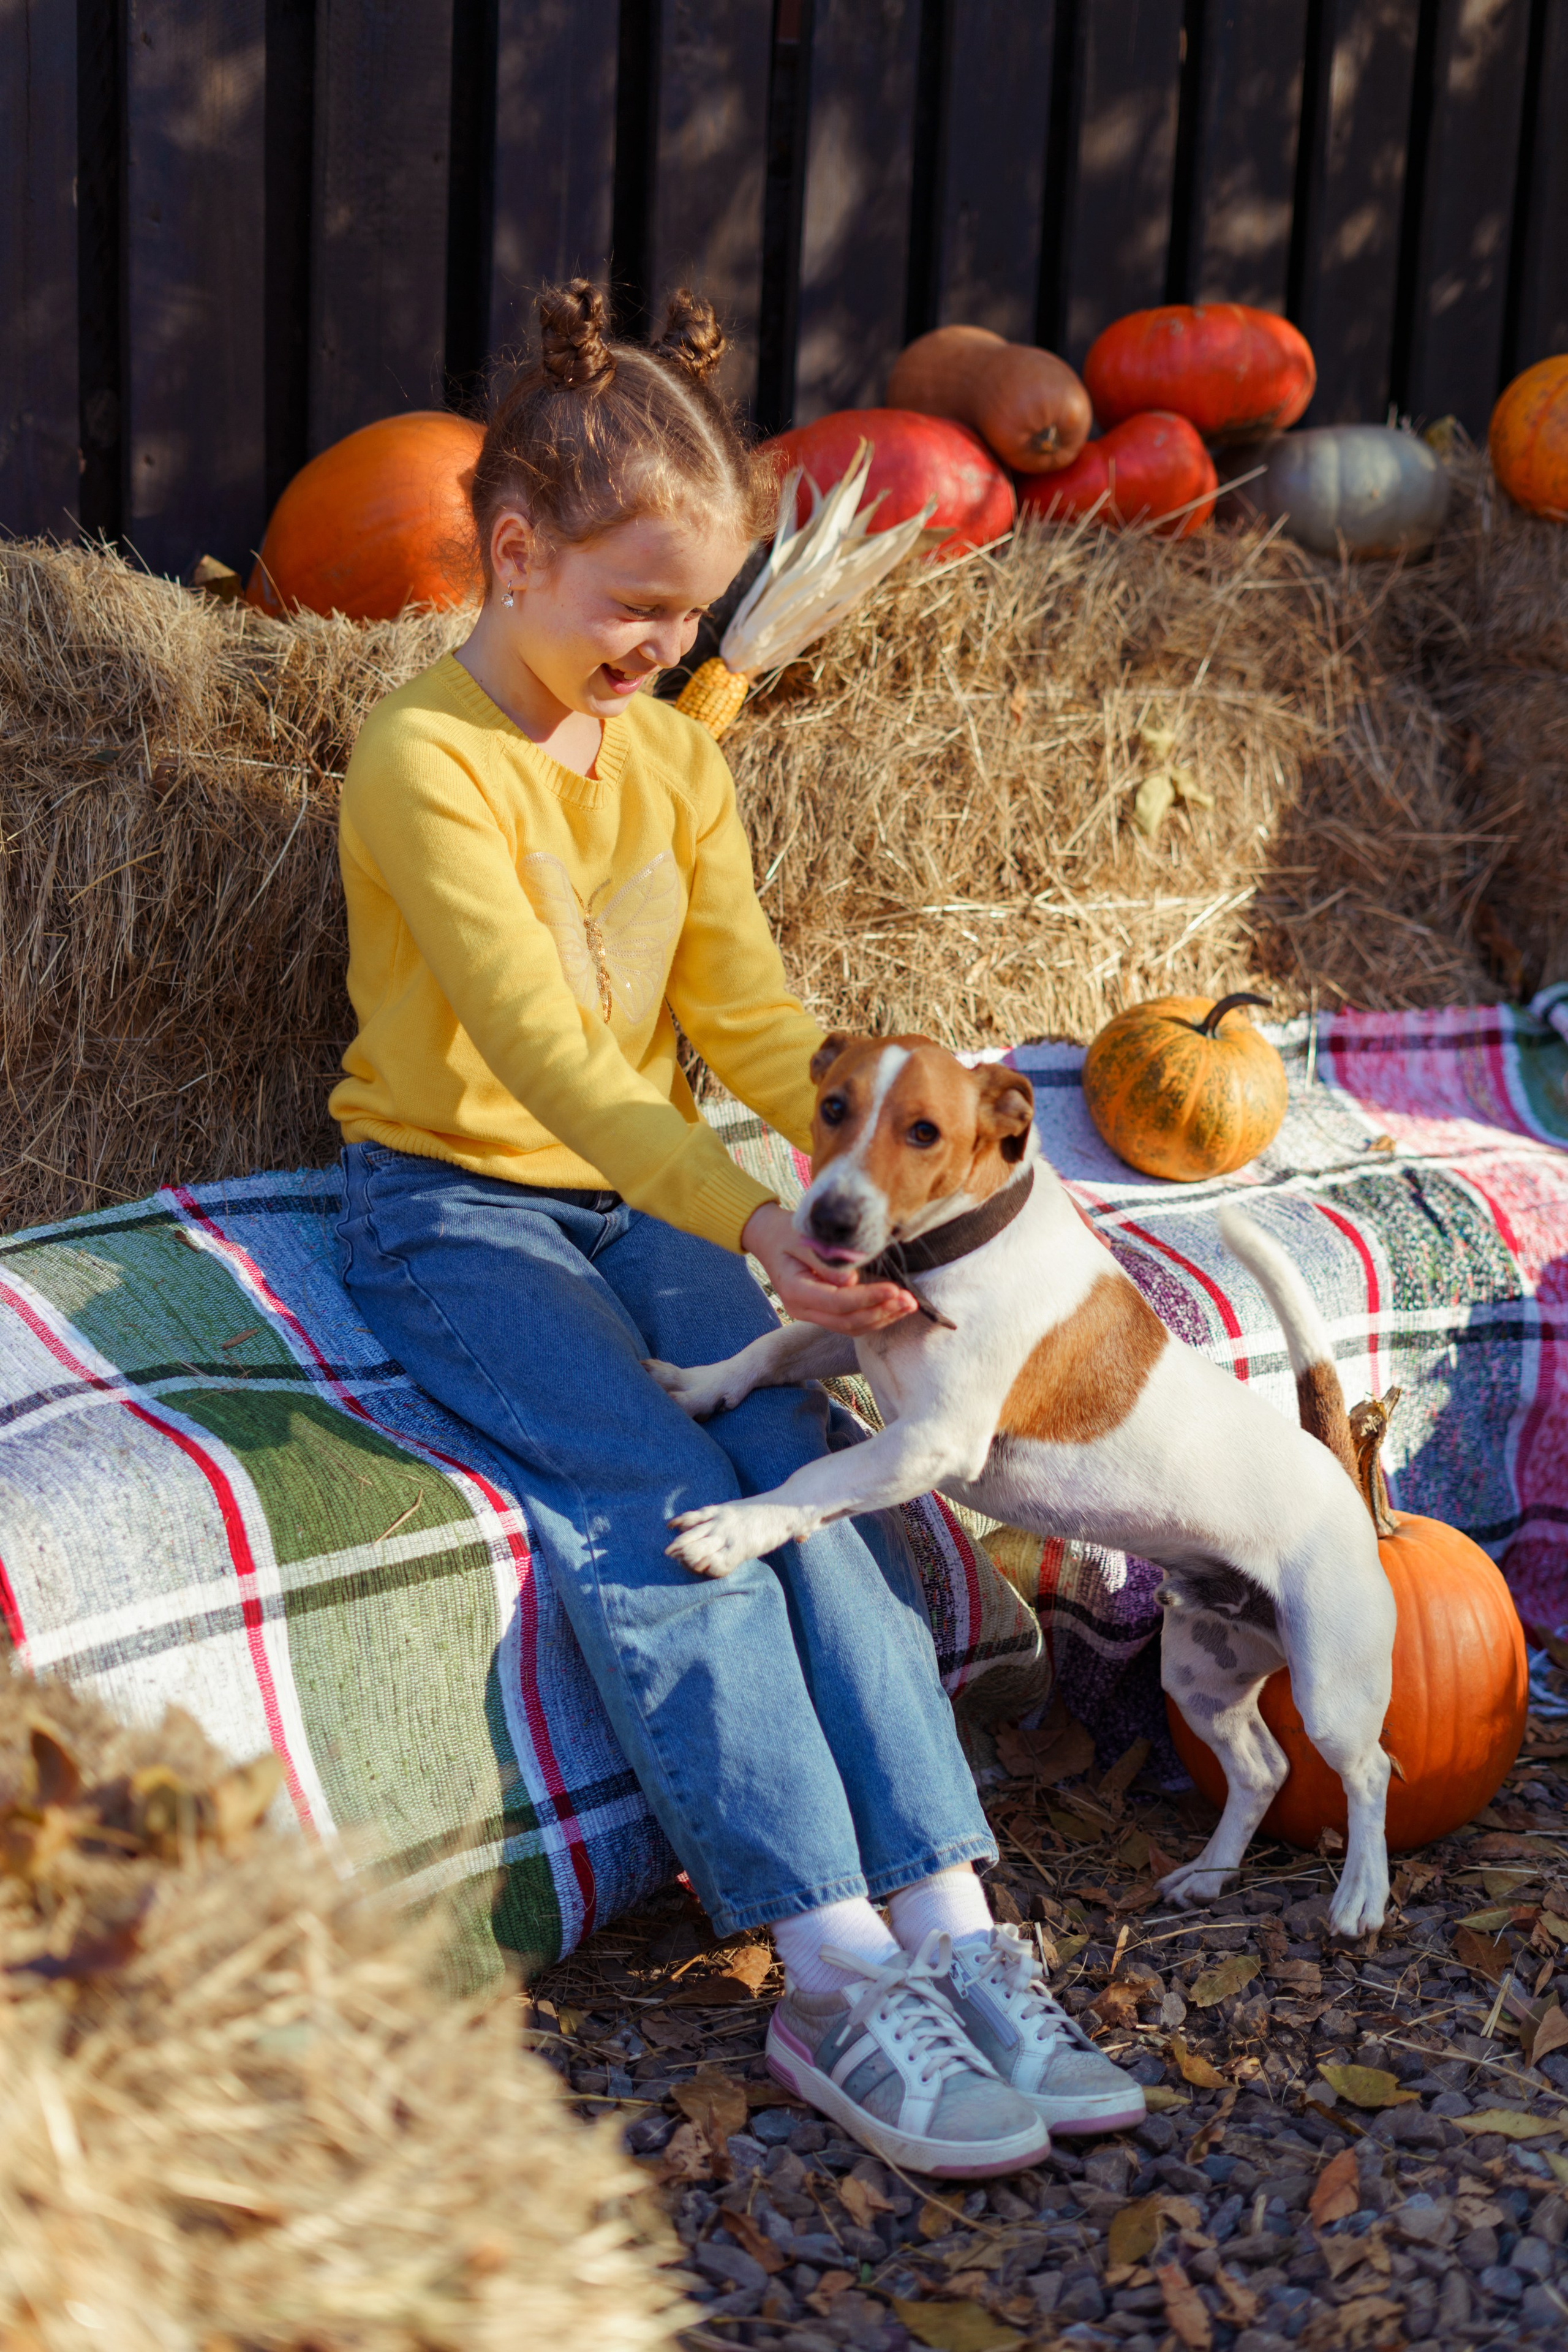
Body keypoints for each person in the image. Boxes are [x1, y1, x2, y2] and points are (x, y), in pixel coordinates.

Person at [331, 279, 1142, 2175]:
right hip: (456, 1206)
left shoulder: (682, 762)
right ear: (512, 553)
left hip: (644, 1193)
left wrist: (872, 1168)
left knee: (798, 1448)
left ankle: (955, 1920)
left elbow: (753, 1024)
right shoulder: (423, 761)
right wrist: (750, 1215)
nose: (665, 644)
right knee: (647, 1502)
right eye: (633, 603)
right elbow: (539, 1051)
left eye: (692, 611)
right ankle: (835, 1972)